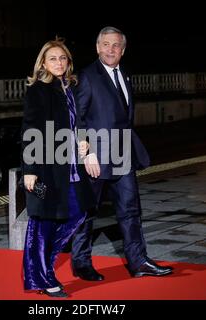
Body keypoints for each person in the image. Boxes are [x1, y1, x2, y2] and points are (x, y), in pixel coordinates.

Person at [71, 26, 174, 281]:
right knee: (87, 213)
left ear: (123, 50)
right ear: (97, 47)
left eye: (116, 45)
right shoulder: (86, 76)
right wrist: (87, 154)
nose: (110, 49)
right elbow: (77, 119)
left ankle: (138, 262)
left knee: (131, 210)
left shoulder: (125, 75)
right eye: (105, 44)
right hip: (95, 158)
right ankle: (81, 263)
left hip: (123, 157)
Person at [21, 39, 95, 298]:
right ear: (43, 62)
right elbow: (30, 130)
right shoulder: (38, 91)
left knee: (78, 213)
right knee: (43, 223)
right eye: (53, 58)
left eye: (62, 58)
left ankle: (40, 269)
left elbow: (79, 121)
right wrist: (29, 169)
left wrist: (84, 139)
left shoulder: (69, 89)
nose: (58, 63)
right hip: (45, 168)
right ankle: (45, 277)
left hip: (70, 167)